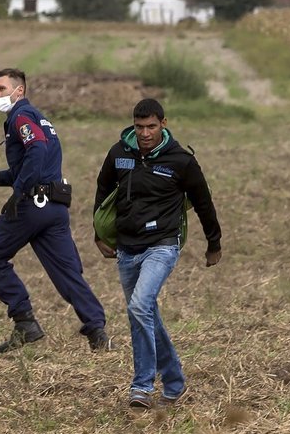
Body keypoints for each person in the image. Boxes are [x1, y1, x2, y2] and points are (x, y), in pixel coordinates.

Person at [94, 98, 222, 410]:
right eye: (139, 127)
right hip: (126, 247)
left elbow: (203, 201)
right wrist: (99, 233)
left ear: (163, 124)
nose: (145, 133)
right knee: (145, 312)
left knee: (139, 306)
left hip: (163, 244)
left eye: (151, 126)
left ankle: (141, 387)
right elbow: (102, 189)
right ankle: (175, 382)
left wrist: (213, 242)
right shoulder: (119, 154)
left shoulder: (181, 161)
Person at [0, 68, 111, 353]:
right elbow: (38, 162)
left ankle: (25, 322)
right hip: (54, 208)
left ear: (19, 91)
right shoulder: (40, 118)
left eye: (1, 89)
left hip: (32, 205)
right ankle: (97, 331)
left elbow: (36, 151)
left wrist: (20, 189)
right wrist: (1, 177)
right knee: (67, 273)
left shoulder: (20, 117)